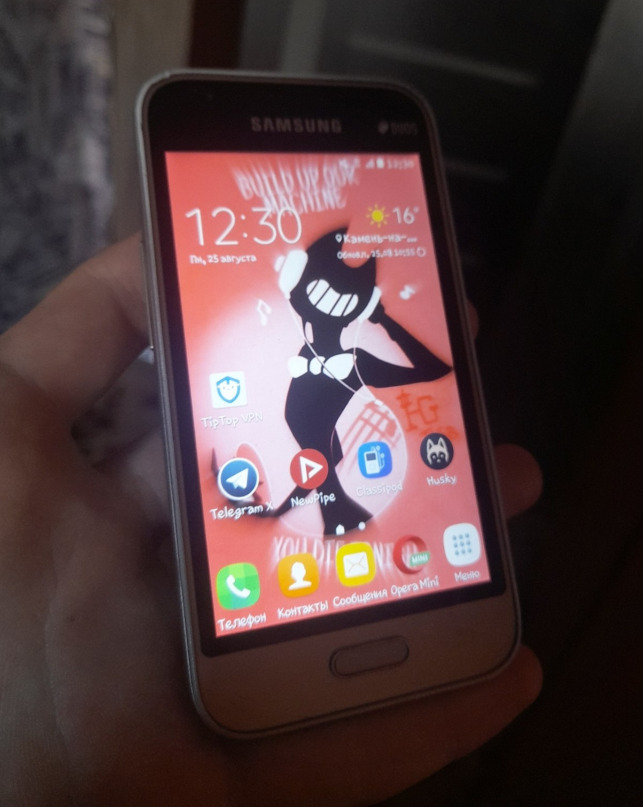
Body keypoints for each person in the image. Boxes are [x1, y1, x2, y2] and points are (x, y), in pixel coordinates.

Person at [0, 235, 543, 806]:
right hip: (322, 497)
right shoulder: (287, 357)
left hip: (336, 504)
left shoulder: (355, 365)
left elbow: (433, 369)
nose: (328, 301)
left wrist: (384, 318)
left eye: (346, 296)